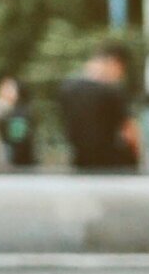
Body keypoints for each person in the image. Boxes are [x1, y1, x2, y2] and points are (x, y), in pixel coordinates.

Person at [57, 47, 143, 177]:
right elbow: (129, 132)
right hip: (112, 164)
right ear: (115, 64)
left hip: (80, 160)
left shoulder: (67, 88)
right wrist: (138, 159)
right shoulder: (112, 91)